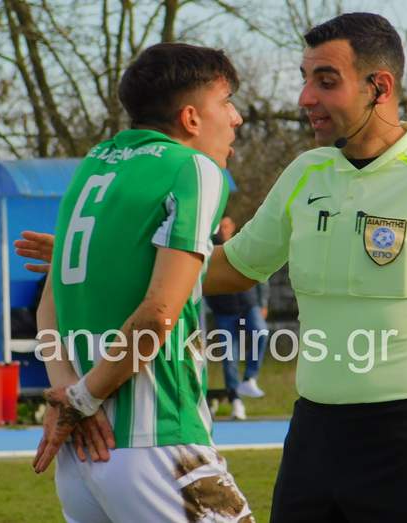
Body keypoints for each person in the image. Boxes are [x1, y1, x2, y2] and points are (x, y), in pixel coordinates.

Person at [18, 13, 407, 523]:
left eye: (325, 81)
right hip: (312, 438)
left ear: (380, 87)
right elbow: (229, 268)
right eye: (305, 79)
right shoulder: (305, 173)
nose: (305, 97)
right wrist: (109, 253)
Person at [18, 42, 253, 523]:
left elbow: (49, 307)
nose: (236, 117)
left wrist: (68, 392)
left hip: (82, 455)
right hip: (160, 446)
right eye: (226, 101)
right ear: (191, 117)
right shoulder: (194, 168)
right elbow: (159, 314)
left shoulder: (95, 164)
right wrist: (79, 400)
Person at [205, 216, 270, 421]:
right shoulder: (209, 248)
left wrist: (263, 303)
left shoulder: (243, 242)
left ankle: (250, 378)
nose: (223, 230)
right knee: (229, 357)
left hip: (248, 304)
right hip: (224, 310)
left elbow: (261, 272)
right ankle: (235, 400)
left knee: (261, 332)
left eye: (227, 226)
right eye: (220, 226)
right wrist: (213, 305)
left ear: (232, 227)